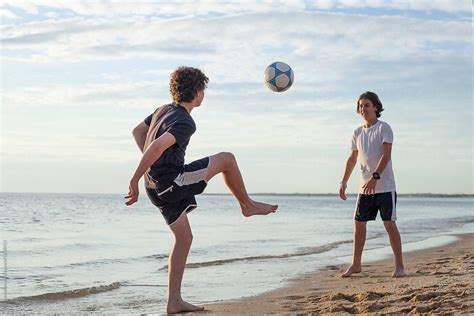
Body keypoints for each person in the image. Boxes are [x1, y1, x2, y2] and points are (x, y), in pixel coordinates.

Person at [125, 66, 278, 314]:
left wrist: (151, 169)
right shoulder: (185, 121)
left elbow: (138, 131)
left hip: (155, 187)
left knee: (184, 238)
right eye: (203, 89)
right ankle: (247, 205)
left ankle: (174, 301)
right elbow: (156, 146)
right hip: (171, 183)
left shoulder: (161, 110)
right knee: (227, 159)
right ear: (197, 92)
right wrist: (134, 179)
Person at [339, 91, 405, 278]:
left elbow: (386, 155)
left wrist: (374, 178)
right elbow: (352, 159)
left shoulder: (384, 128)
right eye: (360, 106)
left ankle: (400, 266)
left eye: (366, 105)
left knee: (389, 224)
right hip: (364, 188)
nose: (363, 109)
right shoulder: (357, 133)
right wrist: (343, 181)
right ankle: (356, 264)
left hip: (384, 186)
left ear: (375, 107)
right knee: (359, 223)